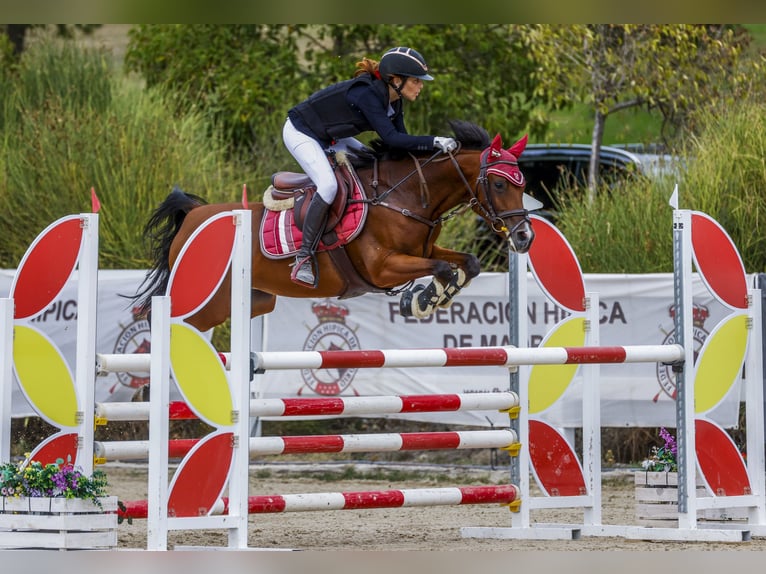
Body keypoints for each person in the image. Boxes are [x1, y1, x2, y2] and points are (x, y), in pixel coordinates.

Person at [283, 46, 458, 287]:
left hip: (331, 136)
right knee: (328, 186)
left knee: (372, 162)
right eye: (416, 81)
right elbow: (392, 139)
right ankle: (304, 257)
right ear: (396, 80)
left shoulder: (394, 101)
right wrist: (433, 141)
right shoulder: (367, 95)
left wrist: (436, 154)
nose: (421, 86)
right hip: (302, 132)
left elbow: (400, 147)